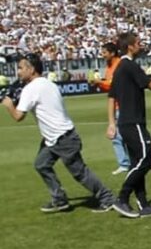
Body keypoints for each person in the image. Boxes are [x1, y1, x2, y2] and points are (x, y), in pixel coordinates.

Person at [2, 53, 118, 214]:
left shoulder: (31, 88)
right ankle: (59, 200)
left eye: (21, 68)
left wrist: (7, 104)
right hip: (57, 137)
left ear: (32, 69)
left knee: (79, 173)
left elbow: (18, 116)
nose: (18, 72)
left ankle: (107, 198)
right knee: (41, 164)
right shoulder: (49, 84)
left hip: (61, 138)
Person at [106, 32, 151, 218]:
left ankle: (144, 205)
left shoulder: (121, 67)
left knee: (137, 162)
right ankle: (122, 198)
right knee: (146, 158)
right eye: (138, 43)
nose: (140, 45)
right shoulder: (128, 66)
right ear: (130, 47)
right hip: (133, 122)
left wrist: (112, 123)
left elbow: (111, 97)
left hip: (126, 123)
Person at [91, 41, 131, 175]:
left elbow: (114, 84)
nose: (102, 55)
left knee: (117, 135)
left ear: (112, 53)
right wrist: (99, 84)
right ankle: (137, 156)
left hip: (123, 105)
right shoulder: (109, 67)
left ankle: (126, 163)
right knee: (122, 135)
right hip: (116, 105)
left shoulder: (119, 65)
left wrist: (99, 82)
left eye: (104, 53)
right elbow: (110, 87)